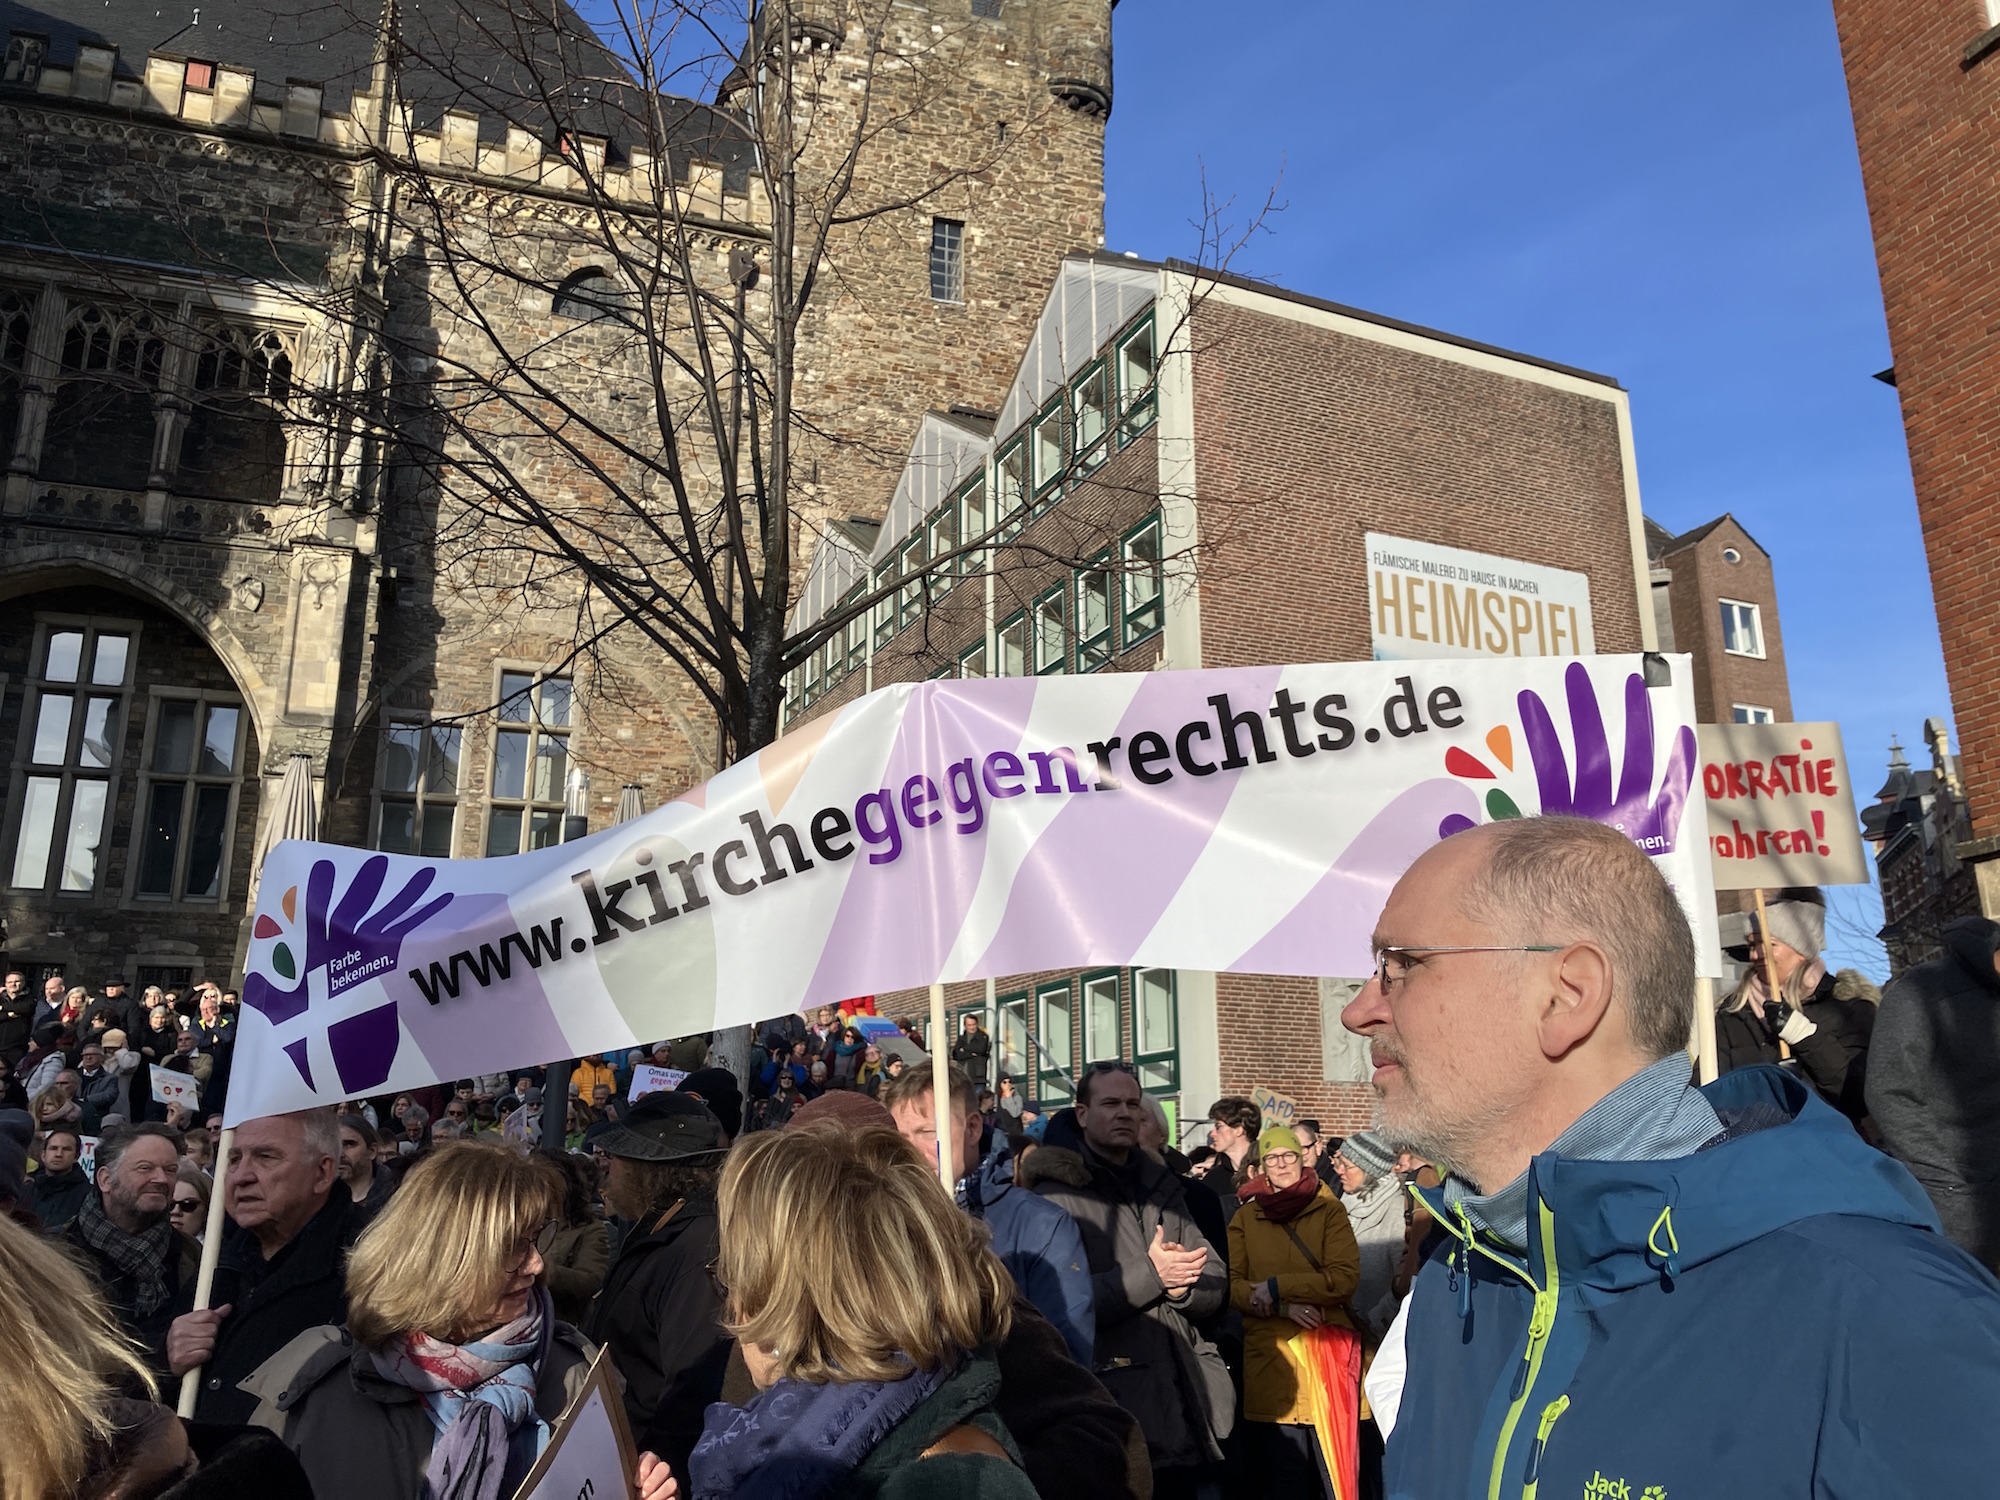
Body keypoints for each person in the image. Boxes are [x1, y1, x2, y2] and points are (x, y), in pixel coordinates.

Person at [1342, 814, 2000, 1497]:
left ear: (1566, 995)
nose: (1359, 1010)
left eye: (1401, 966)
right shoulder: (1459, 1282)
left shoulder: (1897, 1319)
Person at [241, 1142, 625, 1500]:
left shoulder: (573, 1368)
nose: (537, 1265)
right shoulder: (313, 1387)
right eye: (513, 1247)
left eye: (537, 1239)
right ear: (440, 1259)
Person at [689, 1122, 1039, 1500]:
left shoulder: (949, 1479)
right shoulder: (807, 1429)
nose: (733, 1306)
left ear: (787, 1303)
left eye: (733, 1279)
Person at [1025, 1061, 1230, 1494]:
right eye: (1110, 1103)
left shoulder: (1164, 1186)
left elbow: (1214, 1278)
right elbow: (1056, 1307)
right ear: (1082, 1113)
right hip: (1116, 1413)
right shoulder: (1052, 1198)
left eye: (1132, 1104)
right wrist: (1152, 1276)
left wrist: (1181, 1288)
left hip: (1193, 1404)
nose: (1124, 1113)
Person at [884, 1061, 1096, 1365]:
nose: (912, 1151)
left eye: (928, 1132)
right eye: (901, 1138)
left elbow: (1066, 1362)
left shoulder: (1041, 1226)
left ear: (972, 1128)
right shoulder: (883, 1222)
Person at [165, 1110, 363, 1424]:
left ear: (323, 1172)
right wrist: (169, 1362)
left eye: (265, 1157)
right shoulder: (219, 1261)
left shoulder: (370, 1268)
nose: (241, 1175)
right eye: (233, 1159)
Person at [585, 1091, 733, 1484]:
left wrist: (657, 1471)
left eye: (617, 1156)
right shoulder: (663, 1229)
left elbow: (692, 1387)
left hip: (646, 1474)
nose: (608, 1166)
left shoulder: (698, 1245)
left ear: (645, 1167)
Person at [1229, 1124, 1360, 1500]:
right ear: (1261, 1166)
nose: (1282, 1163)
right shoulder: (1245, 1218)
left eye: (1289, 1155)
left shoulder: (1329, 1209)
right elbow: (1234, 1286)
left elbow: (1345, 1277)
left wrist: (1275, 1287)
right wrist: (1283, 1306)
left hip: (1327, 1359)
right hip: (1274, 1362)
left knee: (1336, 1475)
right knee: (1285, 1479)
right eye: (1272, 1157)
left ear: (1303, 1158)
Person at [1868, 913, 2000, 1267]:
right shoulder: (1920, 993)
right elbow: (1889, 1090)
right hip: (1959, 1197)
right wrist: (1945, 1176)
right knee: (1974, 1304)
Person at [1714, 886, 1876, 1123]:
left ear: (1801, 949)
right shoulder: (1732, 1013)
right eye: (1751, 945)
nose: (1755, 955)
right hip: (1759, 1151)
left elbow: (1860, 1097)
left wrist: (1805, 1037)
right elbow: (1713, 1094)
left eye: (1768, 944)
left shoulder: (1847, 1005)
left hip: (1832, 1149)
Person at [64, 1121, 198, 1366]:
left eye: (170, 1170)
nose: (161, 1179)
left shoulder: (194, 1258)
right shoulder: (54, 1253)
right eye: (144, 1168)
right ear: (105, 1179)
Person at [1326, 1131, 1404, 1338]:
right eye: (1338, 1163)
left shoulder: (1395, 1212)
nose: (1339, 1171)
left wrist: (1375, 1322)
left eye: (1347, 1165)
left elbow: (1404, 1285)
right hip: (1338, 1330)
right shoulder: (1344, 1203)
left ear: (1369, 1170)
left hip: (1373, 1337)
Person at [536, 1148, 610, 1327]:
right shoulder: (520, 1219)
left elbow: (591, 1281)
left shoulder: (590, 1229)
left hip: (556, 1323)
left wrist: (544, 1271)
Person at [34, 1122, 92, 1233]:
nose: (58, 1154)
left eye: (66, 1149)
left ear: (77, 1156)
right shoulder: (26, 1187)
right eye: (53, 1148)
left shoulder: (89, 1195)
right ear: (43, 1155)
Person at [338, 1114, 398, 1213]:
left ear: (372, 1151)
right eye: (335, 1145)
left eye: (349, 1144)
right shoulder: (318, 1201)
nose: (340, 1153)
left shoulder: (395, 1198)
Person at [1202, 1097, 1262, 1194]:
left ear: (1238, 1129)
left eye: (1218, 1126)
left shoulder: (1269, 1168)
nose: (1212, 1133)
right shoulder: (1214, 1180)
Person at [171, 1163, 213, 1244]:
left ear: (206, 1211)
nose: (175, 1211)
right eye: (170, 1204)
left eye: (188, 1205)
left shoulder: (219, 1253)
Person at [951, 1012, 993, 1087]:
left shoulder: (983, 1036)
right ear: (965, 1026)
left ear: (977, 1024)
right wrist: (971, 1054)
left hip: (978, 1077)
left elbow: (980, 1049)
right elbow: (955, 1054)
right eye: (969, 1025)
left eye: (974, 1024)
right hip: (963, 1077)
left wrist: (964, 1048)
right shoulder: (961, 1038)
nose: (972, 1027)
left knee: (977, 1097)